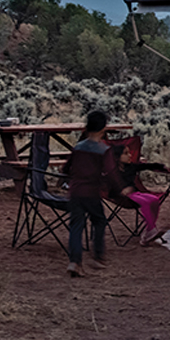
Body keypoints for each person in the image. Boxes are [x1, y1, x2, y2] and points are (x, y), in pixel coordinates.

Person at [64, 110, 125, 276]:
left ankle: (74, 262)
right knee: (99, 220)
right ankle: (98, 256)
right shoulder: (103, 150)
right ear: (103, 129)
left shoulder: (78, 148)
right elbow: (111, 172)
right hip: (91, 192)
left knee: (76, 226)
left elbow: (66, 168)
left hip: (75, 191)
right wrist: (120, 188)